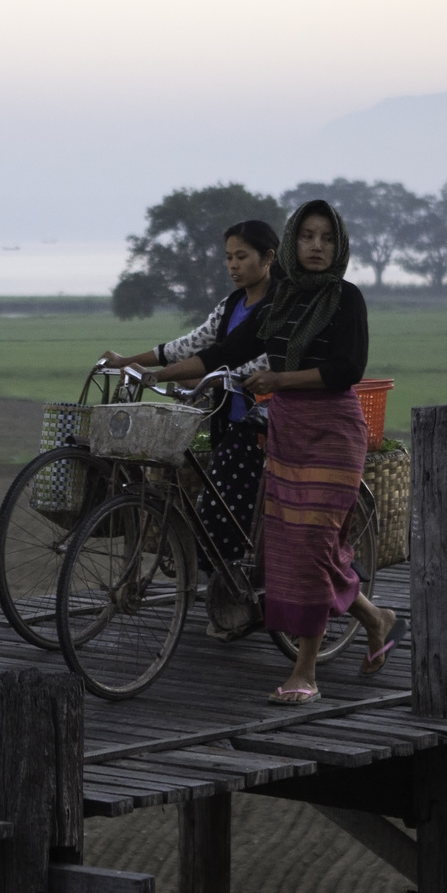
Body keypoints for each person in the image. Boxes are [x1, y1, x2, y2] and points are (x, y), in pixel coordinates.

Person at [141, 199, 395, 703]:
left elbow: (347, 368)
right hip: (287, 430)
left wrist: (279, 378)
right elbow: (222, 352)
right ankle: (377, 617)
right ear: (293, 244)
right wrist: (150, 374)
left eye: (325, 237)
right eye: (307, 237)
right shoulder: (282, 301)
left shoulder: (346, 299)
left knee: (312, 546)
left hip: (333, 431)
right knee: (292, 544)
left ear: (338, 244)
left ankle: (306, 672)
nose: (316, 246)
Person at [101, 221, 280, 636]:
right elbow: (193, 344)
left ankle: (239, 597)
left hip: (263, 421)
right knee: (219, 510)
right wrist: (135, 361)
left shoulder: (278, 307)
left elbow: (257, 362)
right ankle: (227, 595)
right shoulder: (231, 304)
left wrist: (208, 376)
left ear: (268, 258)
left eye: (243, 257)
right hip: (226, 420)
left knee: (222, 513)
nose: (233, 265)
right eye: (229, 257)